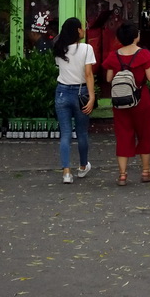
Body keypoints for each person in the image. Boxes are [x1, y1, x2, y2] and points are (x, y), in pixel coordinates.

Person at [103, 22, 150, 186]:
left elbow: (109, 79)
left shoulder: (113, 55)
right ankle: (146, 172)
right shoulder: (143, 54)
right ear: (136, 36)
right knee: (144, 134)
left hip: (120, 101)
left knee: (123, 135)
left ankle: (122, 175)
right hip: (141, 98)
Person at [53, 18, 96, 184]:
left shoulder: (59, 49)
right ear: (78, 30)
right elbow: (88, 74)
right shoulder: (86, 48)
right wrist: (92, 96)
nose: (84, 30)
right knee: (82, 133)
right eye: (82, 28)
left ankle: (66, 172)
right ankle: (83, 166)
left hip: (62, 92)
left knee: (65, 134)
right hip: (81, 92)